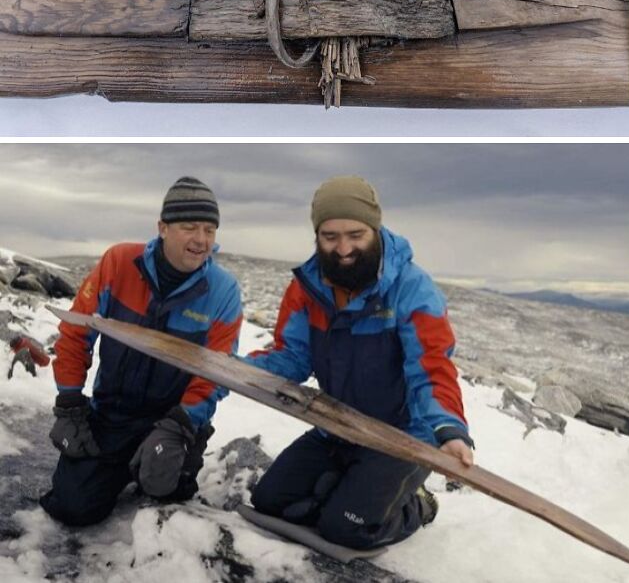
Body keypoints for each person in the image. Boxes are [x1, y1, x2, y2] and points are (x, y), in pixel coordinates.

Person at [245, 175, 474, 550]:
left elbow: (431, 367)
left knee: (346, 529)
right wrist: (235, 368)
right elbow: (292, 356)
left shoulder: (412, 289)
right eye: (330, 237)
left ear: (375, 229)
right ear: (317, 236)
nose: (343, 248)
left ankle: (419, 506)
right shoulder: (308, 288)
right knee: (271, 501)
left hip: (400, 439)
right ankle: (348, 487)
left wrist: (447, 428)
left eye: (355, 234)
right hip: (336, 427)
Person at [40, 176, 243, 526]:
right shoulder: (119, 263)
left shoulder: (222, 290)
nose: (201, 240)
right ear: (162, 228)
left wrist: (181, 424)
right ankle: (120, 464)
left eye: (209, 230)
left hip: (171, 419)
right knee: (73, 507)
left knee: (164, 490)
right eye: (189, 227)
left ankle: (166, 459)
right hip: (112, 413)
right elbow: (76, 331)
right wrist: (70, 405)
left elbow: (217, 371)